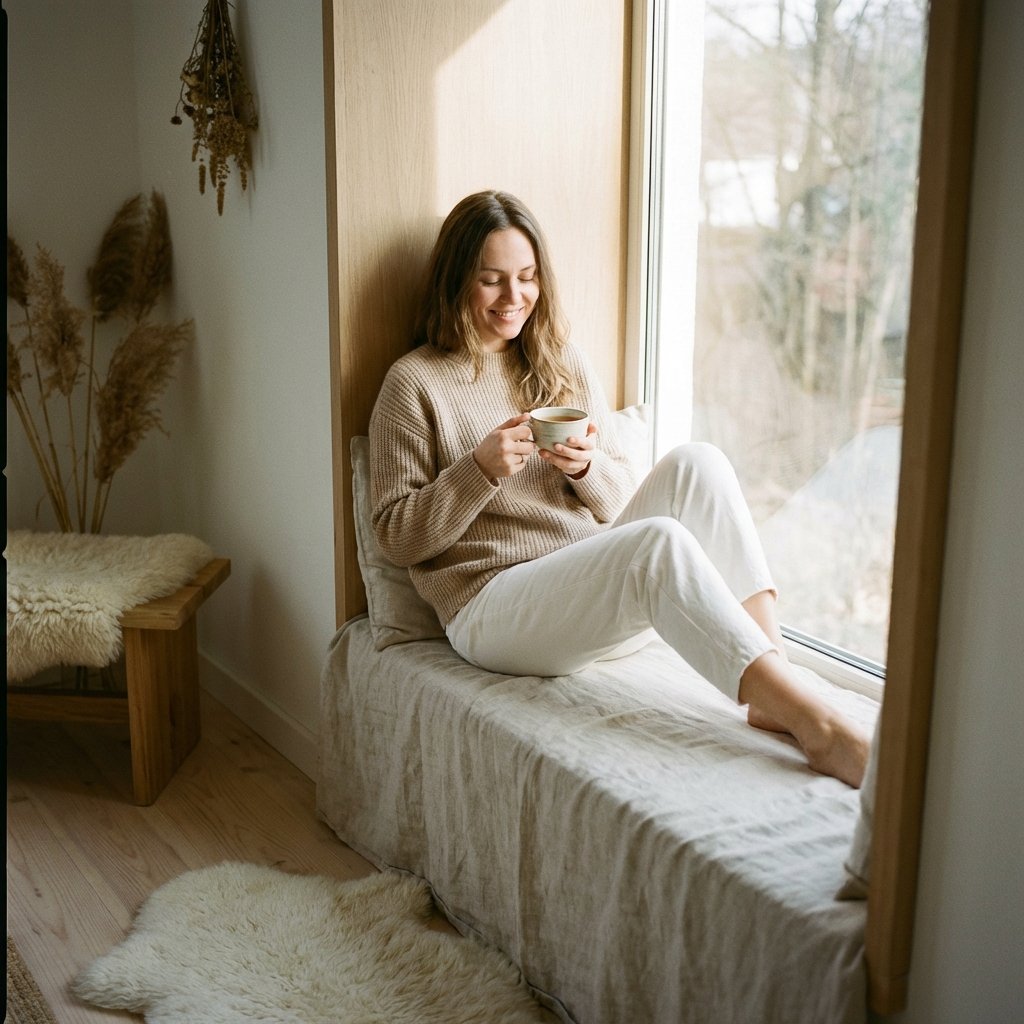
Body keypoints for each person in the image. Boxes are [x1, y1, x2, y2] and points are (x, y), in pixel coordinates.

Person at [369, 189, 869, 788]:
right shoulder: (413, 383)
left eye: (527, 278)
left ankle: (772, 683)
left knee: (699, 464)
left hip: (581, 588)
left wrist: (584, 469)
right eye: (492, 281)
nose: (515, 298)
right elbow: (395, 537)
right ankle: (818, 725)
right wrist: (479, 472)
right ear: (455, 283)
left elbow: (618, 496)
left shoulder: (558, 361)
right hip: (493, 609)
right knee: (655, 544)